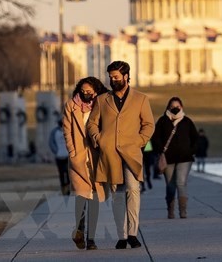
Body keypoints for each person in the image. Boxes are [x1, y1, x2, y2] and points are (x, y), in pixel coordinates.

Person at [87, 61, 155, 250]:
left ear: (126, 76)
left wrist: (139, 141)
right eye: (110, 77)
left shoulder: (141, 99)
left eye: (116, 77)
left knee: (133, 190)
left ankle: (133, 233)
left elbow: (149, 124)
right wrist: (98, 138)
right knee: (117, 195)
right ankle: (122, 236)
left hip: (132, 153)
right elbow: (92, 123)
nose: (112, 80)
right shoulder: (102, 100)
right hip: (110, 153)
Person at [62, 76, 109, 251]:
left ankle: (91, 239)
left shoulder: (102, 105)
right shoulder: (71, 106)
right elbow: (67, 130)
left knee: (94, 198)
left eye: (89, 91)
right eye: (82, 91)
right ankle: (79, 229)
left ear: (96, 90)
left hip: (96, 157)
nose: (85, 94)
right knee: (81, 196)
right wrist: (73, 152)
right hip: (79, 158)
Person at [152, 97, 199, 219]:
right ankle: (170, 209)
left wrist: (191, 151)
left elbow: (196, 138)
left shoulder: (187, 121)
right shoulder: (162, 121)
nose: (175, 109)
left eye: (177, 107)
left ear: (182, 107)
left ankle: (183, 211)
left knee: (181, 183)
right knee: (170, 184)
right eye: (172, 107)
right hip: (168, 158)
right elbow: (155, 138)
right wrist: (160, 150)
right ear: (168, 107)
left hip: (185, 158)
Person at [49, 119, 70, 196]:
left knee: (67, 173)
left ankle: (67, 189)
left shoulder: (68, 130)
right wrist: (56, 151)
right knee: (62, 173)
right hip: (59, 156)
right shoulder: (55, 132)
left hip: (67, 156)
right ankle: (64, 189)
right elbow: (51, 142)